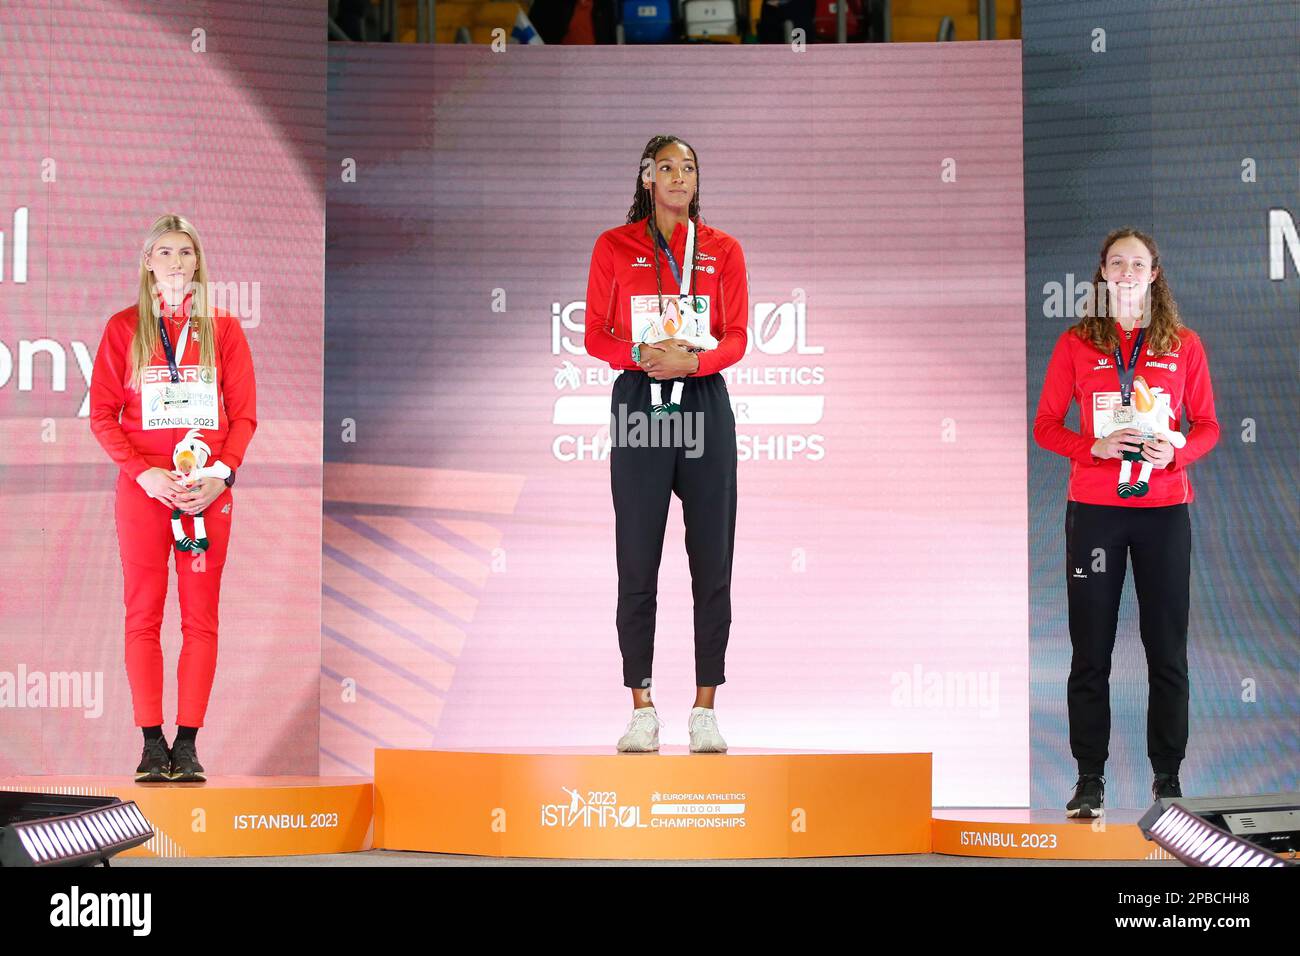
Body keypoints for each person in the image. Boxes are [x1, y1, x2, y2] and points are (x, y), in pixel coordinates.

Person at [1033, 228, 1219, 817]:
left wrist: (1178, 452)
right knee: (1091, 650)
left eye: (1138, 263)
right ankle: (1089, 779)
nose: (1128, 271)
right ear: (1104, 274)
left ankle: (1168, 780)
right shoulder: (1075, 344)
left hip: (1163, 511)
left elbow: (1208, 424)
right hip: (1095, 514)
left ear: (1154, 274)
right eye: (1118, 262)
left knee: (1167, 650)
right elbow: (1045, 426)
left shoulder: (1184, 345)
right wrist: (1097, 445)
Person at [583, 135, 749, 753]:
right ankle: (642, 705)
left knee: (712, 560)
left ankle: (705, 707)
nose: (680, 177)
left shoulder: (723, 249)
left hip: (704, 402)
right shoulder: (614, 245)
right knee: (637, 559)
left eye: (690, 168)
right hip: (639, 401)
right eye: (668, 168)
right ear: (647, 179)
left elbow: (737, 337)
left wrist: (694, 364)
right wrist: (639, 354)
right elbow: (594, 334)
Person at [89, 214, 257, 783]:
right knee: (143, 615)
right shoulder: (123, 328)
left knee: (200, 618)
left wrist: (222, 475)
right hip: (145, 493)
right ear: (148, 263)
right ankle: (149, 742)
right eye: (165, 253)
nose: (177, 263)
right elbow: (102, 417)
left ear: (197, 263)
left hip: (205, 495)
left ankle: (187, 743)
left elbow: (245, 416)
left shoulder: (223, 329)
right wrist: (144, 474)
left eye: (186, 253)